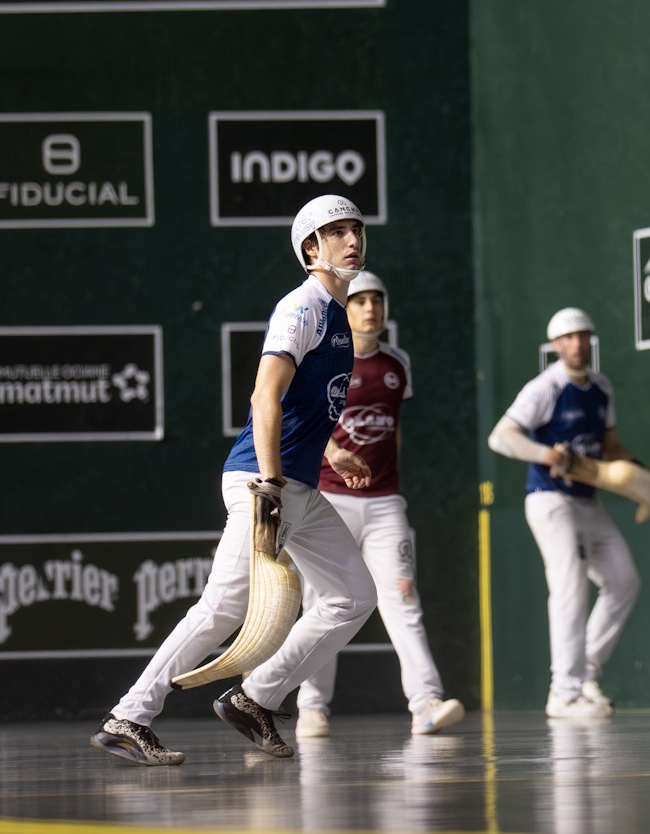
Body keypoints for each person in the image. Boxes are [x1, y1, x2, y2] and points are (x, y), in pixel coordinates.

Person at [90, 194, 381, 765]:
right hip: (264, 482)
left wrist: (333, 449)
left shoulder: (337, 316)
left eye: (356, 229)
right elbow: (264, 396)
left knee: (352, 597)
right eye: (336, 232)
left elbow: (305, 406)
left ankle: (256, 697)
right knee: (223, 606)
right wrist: (270, 484)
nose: (352, 240)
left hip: (300, 488)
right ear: (310, 249)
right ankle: (129, 716)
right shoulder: (302, 307)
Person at [292, 270, 466, 739]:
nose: (370, 308)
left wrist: (390, 483)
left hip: (386, 502)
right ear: (344, 308)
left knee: (403, 597)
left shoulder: (397, 364)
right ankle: (312, 707)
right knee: (323, 600)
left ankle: (426, 703)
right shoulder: (325, 360)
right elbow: (304, 423)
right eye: (360, 300)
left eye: (377, 301)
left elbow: (395, 429)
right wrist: (331, 456)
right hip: (330, 500)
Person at [487, 308, 643, 718]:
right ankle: (563, 692)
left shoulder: (601, 387)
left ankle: (585, 674)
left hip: (588, 501)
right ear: (556, 345)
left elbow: (611, 446)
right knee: (570, 585)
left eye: (583, 336)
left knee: (624, 581)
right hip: (549, 499)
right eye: (568, 338)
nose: (577, 344)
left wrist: (645, 478)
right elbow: (501, 437)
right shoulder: (546, 387)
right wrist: (547, 454)